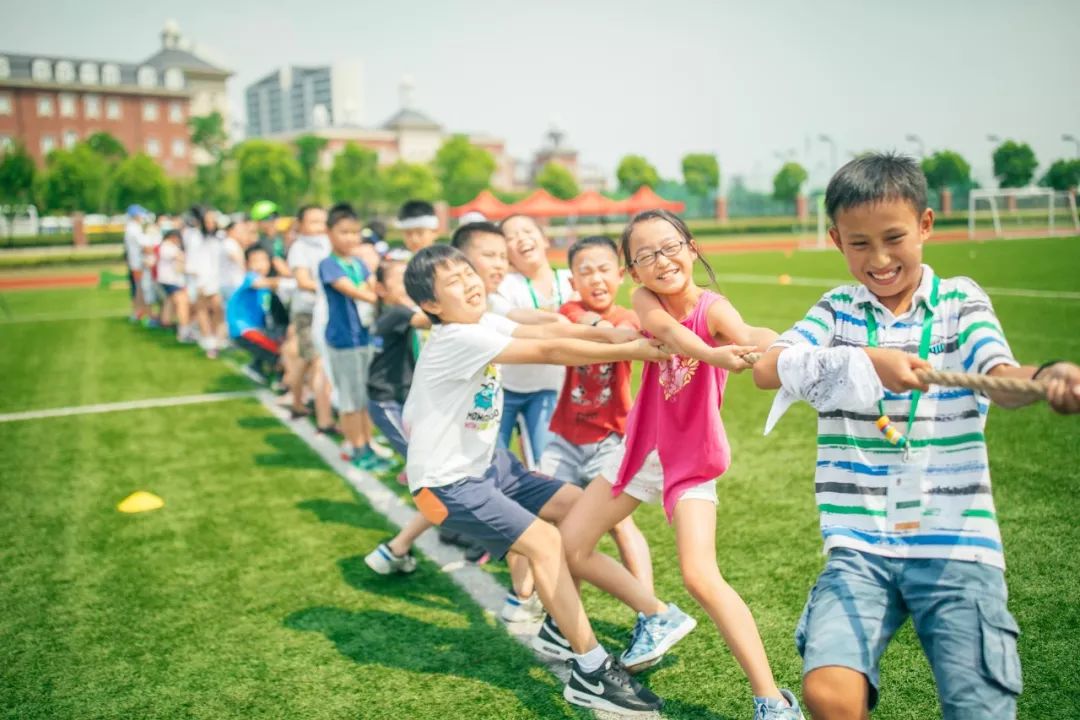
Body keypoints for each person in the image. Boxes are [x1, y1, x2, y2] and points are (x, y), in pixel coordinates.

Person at [750, 152, 1080, 720]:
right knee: (829, 692)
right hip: (859, 544)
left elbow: (1000, 377)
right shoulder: (835, 309)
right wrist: (867, 362)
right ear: (835, 239)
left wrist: (1048, 376)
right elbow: (768, 366)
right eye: (858, 244)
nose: (879, 259)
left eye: (894, 237)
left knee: (978, 706)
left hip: (956, 543)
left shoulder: (960, 301)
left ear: (926, 225)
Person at [401, 243, 668, 715]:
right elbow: (548, 349)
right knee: (545, 542)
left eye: (468, 271)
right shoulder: (457, 338)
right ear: (431, 306)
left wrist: (616, 331)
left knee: (578, 512)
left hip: (491, 466)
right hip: (446, 485)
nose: (469, 282)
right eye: (454, 281)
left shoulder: (479, 322)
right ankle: (590, 671)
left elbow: (552, 327)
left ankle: (561, 628)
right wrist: (633, 349)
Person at [557, 210, 803, 719]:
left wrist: (783, 346)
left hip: (690, 457)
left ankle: (773, 702)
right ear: (635, 273)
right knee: (572, 544)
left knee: (699, 574)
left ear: (691, 248)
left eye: (669, 247)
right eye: (645, 256)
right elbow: (668, 331)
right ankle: (658, 615)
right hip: (643, 448)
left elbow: (746, 329)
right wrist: (715, 357)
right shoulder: (645, 301)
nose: (660, 261)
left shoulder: (715, 309)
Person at [539, 236, 654, 596]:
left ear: (620, 276)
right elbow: (584, 322)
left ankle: (648, 607)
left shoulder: (629, 317)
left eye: (604, 270)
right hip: (565, 439)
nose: (596, 279)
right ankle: (539, 601)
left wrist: (624, 335)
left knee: (621, 525)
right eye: (585, 272)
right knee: (544, 517)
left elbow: (631, 334)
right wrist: (610, 333)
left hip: (612, 439)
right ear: (572, 282)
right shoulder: (569, 312)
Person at [317, 203, 394, 472]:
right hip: (344, 341)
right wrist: (384, 294)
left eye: (354, 232)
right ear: (329, 233)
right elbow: (356, 291)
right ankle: (356, 447)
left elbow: (370, 284)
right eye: (343, 232)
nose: (350, 238)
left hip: (364, 338)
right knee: (350, 400)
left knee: (364, 397)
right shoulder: (329, 264)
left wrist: (376, 283)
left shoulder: (359, 263)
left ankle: (367, 444)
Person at [495, 214, 574, 468]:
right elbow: (510, 319)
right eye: (511, 236)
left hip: (550, 390)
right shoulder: (505, 285)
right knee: (487, 462)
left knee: (546, 464)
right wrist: (558, 322)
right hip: (504, 389)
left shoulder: (571, 279)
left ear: (544, 239)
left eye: (527, 231)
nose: (521, 239)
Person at [286, 205, 335, 431]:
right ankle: (323, 419)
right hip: (307, 311)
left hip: (327, 309)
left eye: (322, 221)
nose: (319, 227)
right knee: (316, 360)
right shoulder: (299, 248)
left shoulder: (328, 243)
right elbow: (303, 281)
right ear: (301, 225)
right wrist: (335, 286)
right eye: (313, 221)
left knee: (309, 360)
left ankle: (297, 401)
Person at [226, 246, 295, 383]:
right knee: (278, 352)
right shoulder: (251, 278)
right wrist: (290, 281)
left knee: (276, 343)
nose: (260, 265)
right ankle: (279, 381)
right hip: (244, 329)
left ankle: (257, 366)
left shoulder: (266, 287)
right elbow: (261, 283)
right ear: (247, 265)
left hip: (256, 329)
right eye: (255, 261)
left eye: (264, 261)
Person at [156, 228, 192, 342]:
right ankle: (184, 332)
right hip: (172, 280)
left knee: (170, 302)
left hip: (168, 280)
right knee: (182, 303)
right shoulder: (167, 247)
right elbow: (180, 257)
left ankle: (166, 322)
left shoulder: (166, 246)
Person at [123, 204, 152, 322]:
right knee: (139, 289)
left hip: (135, 264)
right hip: (137, 265)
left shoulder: (132, 228)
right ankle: (139, 312)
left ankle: (139, 312)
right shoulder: (134, 229)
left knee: (138, 289)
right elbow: (145, 246)